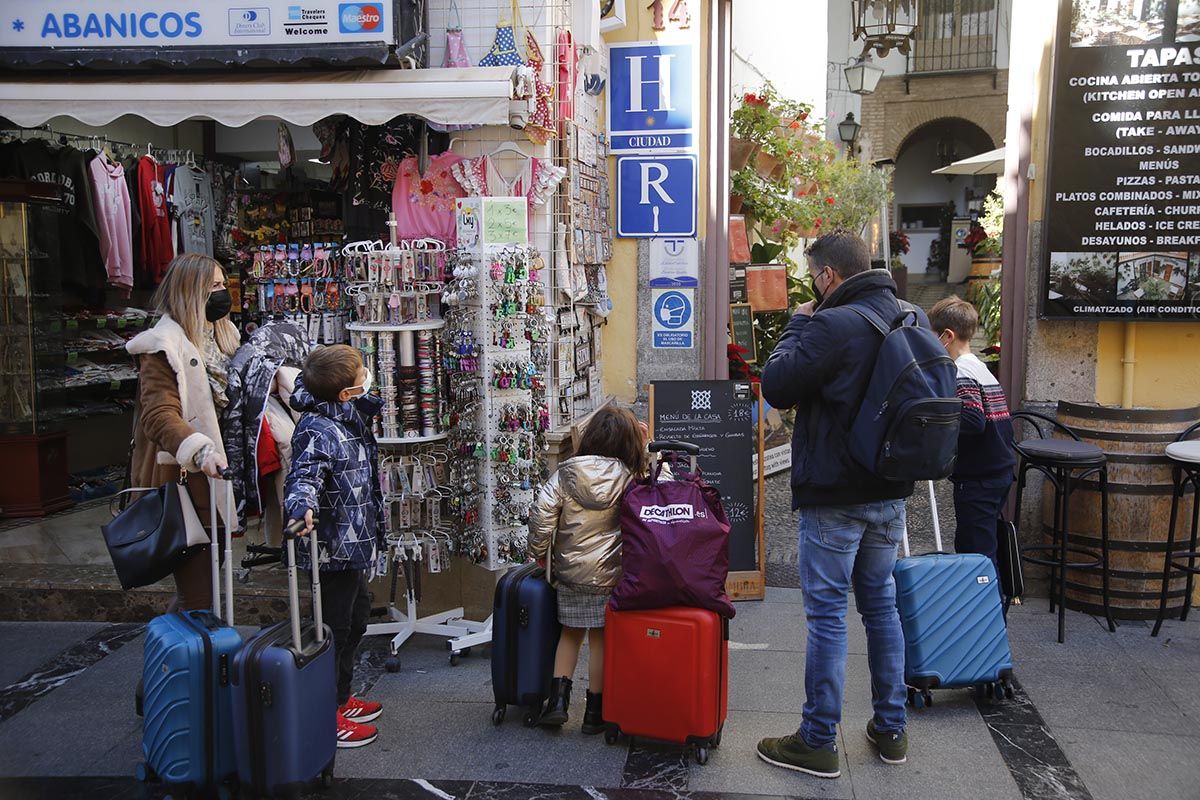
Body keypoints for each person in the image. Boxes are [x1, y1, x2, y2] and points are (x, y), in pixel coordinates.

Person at [758, 229, 915, 778]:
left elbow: (776, 385)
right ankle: (891, 729)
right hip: (891, 490)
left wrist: (798, 321)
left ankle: (818, 739)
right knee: (881, 609)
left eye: (812, 277)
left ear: (827, 277)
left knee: (826, 616)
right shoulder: (907, 314)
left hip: (835, 495)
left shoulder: (829, 323)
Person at [284, 344, 385, 749]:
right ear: (345, 393)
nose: (368, 376)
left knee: (357, 618)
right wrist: (301, 507)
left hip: (354, 541)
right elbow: (304, 475)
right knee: (334, 630)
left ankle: (341, 698)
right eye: (363, 373)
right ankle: (327, 714)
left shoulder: (347, 415)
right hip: (333, 549)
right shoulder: (317, 428)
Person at [126, 253, 238, 611]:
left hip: (216, 476)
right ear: (191, 292)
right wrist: (199, 449)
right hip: (186, 479)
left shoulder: (221, 336)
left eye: (223, 284)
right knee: (198, 592)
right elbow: (158, 415)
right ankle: (188, 662)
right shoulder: (162, 345)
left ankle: (189, 659)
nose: (223, 294)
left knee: (206, 579)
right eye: (214, 287)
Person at [527, 406, 648, 734]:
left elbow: (541, 516)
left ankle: (557, 703)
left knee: (569, 634)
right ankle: (595, 712)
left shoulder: (566, 473)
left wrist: (538, 554)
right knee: (600, 640)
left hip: (570, 573)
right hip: (611, 575)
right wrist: (647, 448)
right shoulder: (629, 476)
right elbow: (657, 493)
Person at [928, 296, 1015, 565]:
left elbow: (972, 420)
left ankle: (984, 603)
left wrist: (934, 423)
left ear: (947, 336)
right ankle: (991, 600)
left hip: (979, 478)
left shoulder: (960, 371)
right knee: (983, 544)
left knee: (974, 553)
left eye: (932, 337)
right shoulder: (980, 367)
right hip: (997, 472)